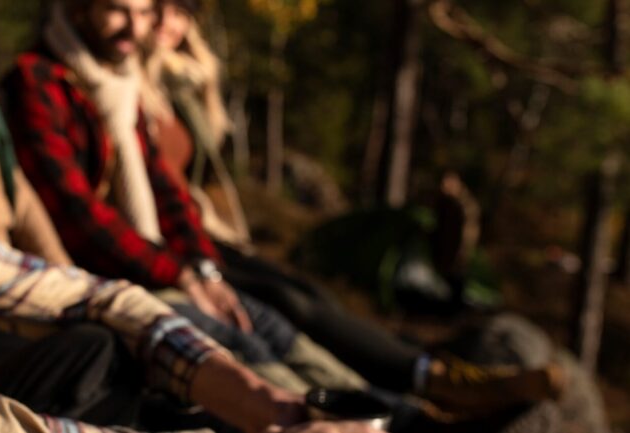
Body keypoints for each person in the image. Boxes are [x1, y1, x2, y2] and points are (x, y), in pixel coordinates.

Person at [0, 0, 381, 432]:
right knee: (111, 350)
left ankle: (395, 403)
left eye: (145, 12)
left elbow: (146, 205)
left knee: (258, 307)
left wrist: (262, 403)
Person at [136, 0, 563, 416]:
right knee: (285, 305)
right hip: (168, 245)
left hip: (201, 233)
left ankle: (432, 384)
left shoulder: (179, 86)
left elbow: (195, 182)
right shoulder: (124, 87)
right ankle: (411, 401)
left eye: (179, 12)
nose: (165, 22)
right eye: (156, 9)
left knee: (309, 296)